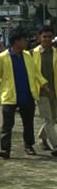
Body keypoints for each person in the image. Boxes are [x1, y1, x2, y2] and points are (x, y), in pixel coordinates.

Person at [0, 27, 50, 158]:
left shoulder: (28, 56)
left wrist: (44, 85)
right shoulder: (1, 58)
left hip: (27, 95)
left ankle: (29, 145)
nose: (26, 42)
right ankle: (5, 149)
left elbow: (36, 73)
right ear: (16, 41)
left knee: (28, 123)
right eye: (24, 40)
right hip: (9, 95)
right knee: (7, 125)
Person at [31, 25, 57, 156]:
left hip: (55, 91)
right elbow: (33, 73)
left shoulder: (55, 52)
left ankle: (42, 138)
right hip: (41, 91)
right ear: (39, 37)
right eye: (44, 37)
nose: (47, 39)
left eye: (49, 37)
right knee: (48, 119)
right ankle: (55, 145)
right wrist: (45, 86)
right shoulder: (32, 54)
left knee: (53, 118)